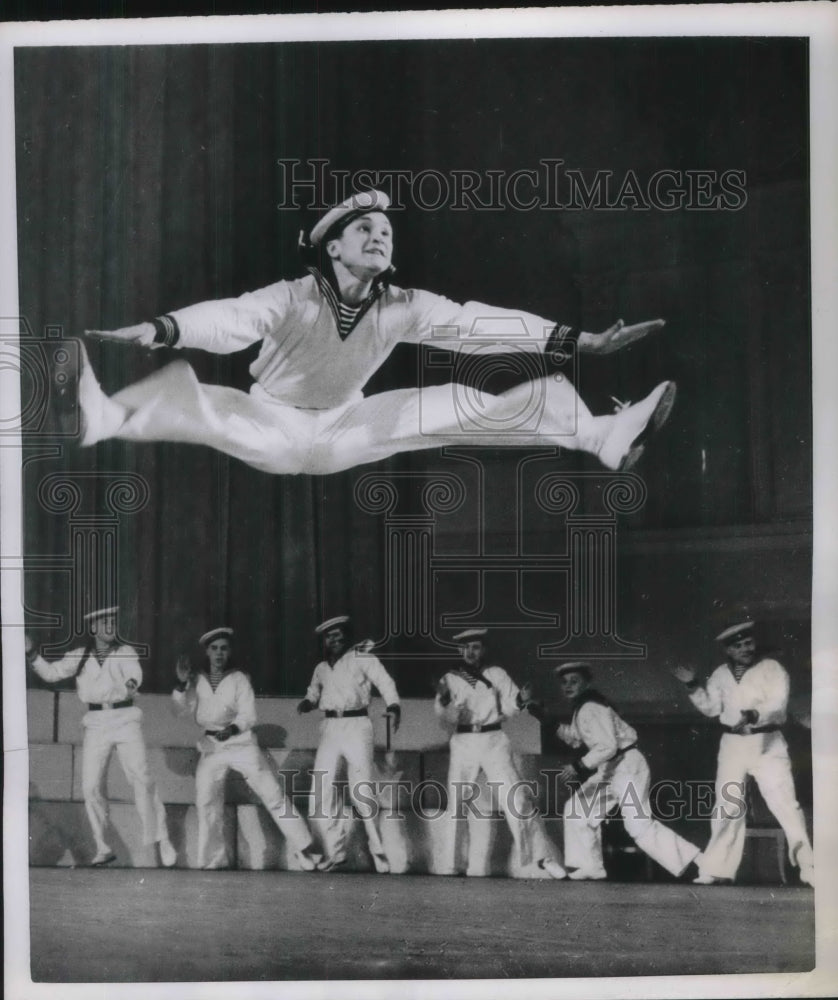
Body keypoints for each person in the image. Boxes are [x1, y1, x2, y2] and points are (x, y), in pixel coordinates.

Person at [74, 189, 677, 476]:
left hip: (345, 428)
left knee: (455, 404)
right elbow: (232, 320)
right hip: (275, 426)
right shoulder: (294, 295)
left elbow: (478, 325)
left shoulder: (405, 304)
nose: (379, 235)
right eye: (363, 228)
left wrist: (583, 342)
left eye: (386, 229)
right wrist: (162, 328)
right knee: (191, 393)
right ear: (331, 246)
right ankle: (105, 418)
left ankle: (601, 434)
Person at [25, 606, 176, 868]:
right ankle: (103, 846)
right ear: (93, 628)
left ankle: (162, 839)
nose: (109, 626)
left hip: (125, 718)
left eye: (112, 622)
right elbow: (51, 673)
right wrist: (31, 653)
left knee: (140, 776)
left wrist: (130, 684)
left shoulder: (125, 652)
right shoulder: (79, 656)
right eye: (104, 622)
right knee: (90, 786)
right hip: (96, 723)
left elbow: (133, 673)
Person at [671, 620, 815, 886]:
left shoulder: (772, 668)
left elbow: (778, 702)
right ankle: (717, 869)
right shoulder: (719, 674)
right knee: (726, 805)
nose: (745, 649)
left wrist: (753, 714)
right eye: (738, 646)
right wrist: (692, 685)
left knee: (785, 804)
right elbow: (712, 709)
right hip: (733, 746)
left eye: (748, 643)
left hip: (768, 744)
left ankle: (809, 866)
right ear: (728, 651)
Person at [171, 627, 321, 871]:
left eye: (224, 648)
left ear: (229, 652)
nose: (219, 653)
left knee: (272, 794)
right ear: (207, 652)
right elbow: (180, 711)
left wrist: (231, 730)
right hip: (211, 746)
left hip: (241, 743)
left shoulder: (240, 678)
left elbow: (248, 715)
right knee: (206, 800)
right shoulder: (196, 680)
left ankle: (305, 849)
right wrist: (179, 684)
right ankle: (213, 860)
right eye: (214, 648)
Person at [433, 628, 566, 879]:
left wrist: (520, 699)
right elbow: (445, 718)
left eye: (475, 647)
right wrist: (445, 701)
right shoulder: (449, 679)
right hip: (463, 740)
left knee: (517, 799)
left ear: (483, 649)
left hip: (494, 739)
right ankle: (452, 865)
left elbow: (509, 706)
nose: (470, 652)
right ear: (459, 651)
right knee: (456, 803)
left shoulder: (496, 674)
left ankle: (542, 858)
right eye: (465, 648)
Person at [552, 661, 701, 881]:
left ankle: (701, 862)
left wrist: (578, 766)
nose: (568, 686)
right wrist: (545, 718)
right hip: (611, 768)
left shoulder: (591, 707)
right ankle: (590, 866)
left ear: (586, 683)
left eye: (574, 681)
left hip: (626, 766)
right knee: (577, 809)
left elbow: (608, 745)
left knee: (638, 826)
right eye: (564, 682)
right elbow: (575, 739)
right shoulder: (582, 707)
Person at [297, 615, 400, 873]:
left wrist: (394, 705)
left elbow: (385, 681)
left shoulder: (362, 657)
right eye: (329, 635)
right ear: (324, 640)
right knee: (321, 787)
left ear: (347, 635)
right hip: (331, 728)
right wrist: (308, 702)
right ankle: (334, 852)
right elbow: (314, 692)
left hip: (357, 725)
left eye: (339, 633)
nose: (335, 638)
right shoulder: (321, 668)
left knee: (361, 789)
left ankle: (379, 853)